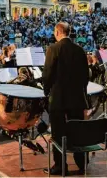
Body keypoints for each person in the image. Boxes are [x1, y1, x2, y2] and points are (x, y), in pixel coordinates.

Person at [42, 22, 89, 176]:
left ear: (57, 32)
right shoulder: (80, 50)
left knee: (58, 133)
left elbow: (48, 73)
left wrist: (46, 90)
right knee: (78, 131)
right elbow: (85, 76)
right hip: (77, 98)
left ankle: (61, 166)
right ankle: (82, 163)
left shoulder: (53, 49)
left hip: (59, 99)